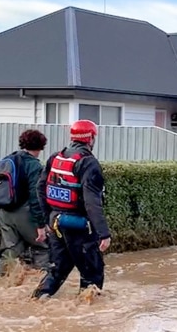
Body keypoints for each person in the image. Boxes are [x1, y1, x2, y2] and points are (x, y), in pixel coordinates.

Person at [31, 119, 111, 299]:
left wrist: (47, 219)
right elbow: (92, 202)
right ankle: (88, 317)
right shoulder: (88, 163)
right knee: (92, 274)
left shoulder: (55, 157)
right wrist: (104, 233)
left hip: (56, 224)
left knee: (57, 270)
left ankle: (38, 300)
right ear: (91, 138)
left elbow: (40, 188)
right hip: (80, 228)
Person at [0, 129, 49, 275]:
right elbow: (35, 196)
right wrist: (41, 225)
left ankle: (0, 283)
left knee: (10, 250)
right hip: (24, 213)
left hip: (4, 212)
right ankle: (38, 286)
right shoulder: (34, 165)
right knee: (42, 247)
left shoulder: (7, 160)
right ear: (41, 146)